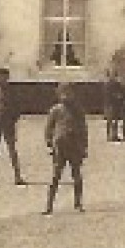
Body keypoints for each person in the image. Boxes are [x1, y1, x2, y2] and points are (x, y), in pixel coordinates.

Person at [43, 84, 89, 214]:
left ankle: (78, 203)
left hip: (75, 146)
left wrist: (84, 147)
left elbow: (84, 130)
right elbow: (48, 129)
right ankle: (49, 205)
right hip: (59, 147)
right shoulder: (55, 110)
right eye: (63, 93)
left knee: (77, 175)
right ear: (58, 95)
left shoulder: (78, 110)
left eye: (69, 93)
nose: (66, 96)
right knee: (55, 176)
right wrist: (49, 143)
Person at [103, 73, 123, 142]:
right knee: (110, 120)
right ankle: (109, 136)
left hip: (115, 105)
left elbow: (120, 93)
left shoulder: (116, 84)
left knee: (115, 120)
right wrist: (116, 96)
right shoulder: (108, 85)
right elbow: (107, 95)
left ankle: (114, 135)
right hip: (110, 104)